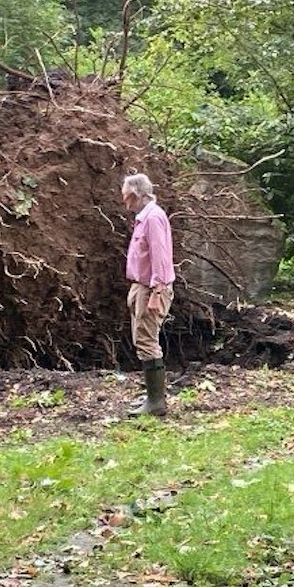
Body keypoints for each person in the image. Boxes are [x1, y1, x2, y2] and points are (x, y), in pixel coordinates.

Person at [121, 173, 174, 417]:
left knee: (147, 341)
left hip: (151, 289)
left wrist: (157, 290)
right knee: (141, 339)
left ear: (138, 194)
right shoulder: (143, 218)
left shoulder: (153, 218)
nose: (125, 201)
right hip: (140, 286)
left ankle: (156, 403)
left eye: (127, 196)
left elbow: (160, 257)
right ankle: (153, 397)